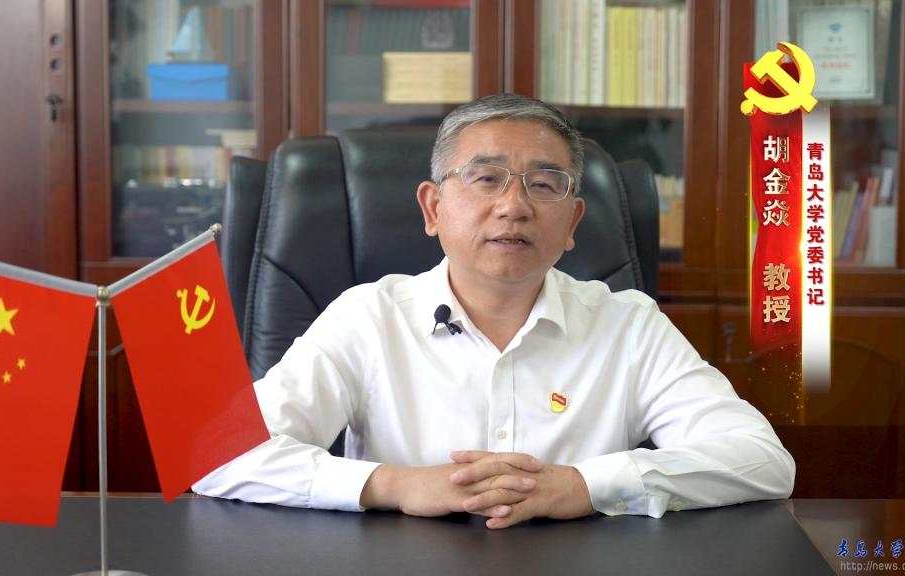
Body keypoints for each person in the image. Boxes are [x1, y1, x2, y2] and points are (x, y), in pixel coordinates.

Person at [193, 94, 795, 528]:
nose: (513, 206)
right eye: (485, 179)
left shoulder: (628, 326)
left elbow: (763, 461)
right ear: (433, 209)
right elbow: (215, 455)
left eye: (544, 184)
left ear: (573, 222)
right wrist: (397, 484)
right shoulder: (369, 317)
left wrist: (586, 485)